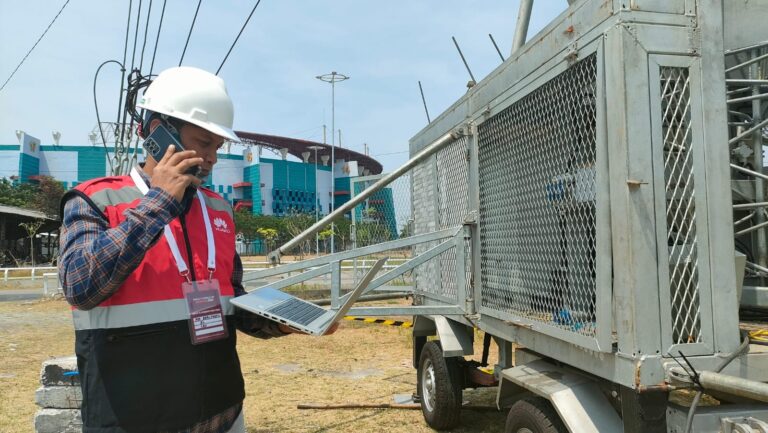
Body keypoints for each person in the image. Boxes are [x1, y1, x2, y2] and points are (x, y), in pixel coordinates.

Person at [59, 66, 295, 433]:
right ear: (158, 132)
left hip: (221, 411)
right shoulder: (95, 200)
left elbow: (231, 301)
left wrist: (279, 321)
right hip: (134, 419)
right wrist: (159, 201)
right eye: (203, 143)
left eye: (217, 147)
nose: (212, 158)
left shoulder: (218, 209)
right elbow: (81, 286)